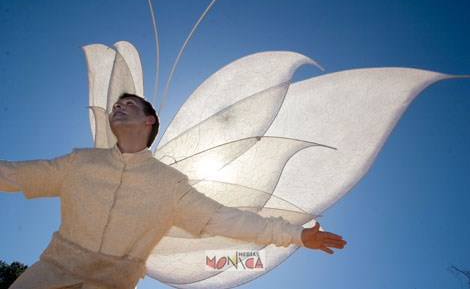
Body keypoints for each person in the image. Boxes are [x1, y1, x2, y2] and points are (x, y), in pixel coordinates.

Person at [0, 93, 346, 289]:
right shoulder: (79, 162)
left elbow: (224, 219)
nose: (118, 108)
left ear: (150, 121)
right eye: (115, 106)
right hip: (47, 277)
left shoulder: (169, 184)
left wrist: (296, 235)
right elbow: (15, 175)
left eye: (128, 105)